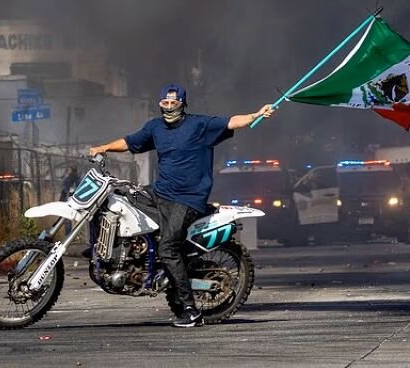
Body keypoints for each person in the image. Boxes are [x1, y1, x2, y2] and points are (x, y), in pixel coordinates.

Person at [88, 83, 275, 328]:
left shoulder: (199, 125)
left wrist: (257, 114)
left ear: (182, 104)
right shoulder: (155, 127)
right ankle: (137, 260)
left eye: (173, 103)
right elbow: (130, 142)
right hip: (159, 193)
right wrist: (103, 148)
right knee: (121, 200)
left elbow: (231, 122)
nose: (168, 107)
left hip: (187, 198)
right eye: (164, 103)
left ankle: (190, 310)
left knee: (169, 248)